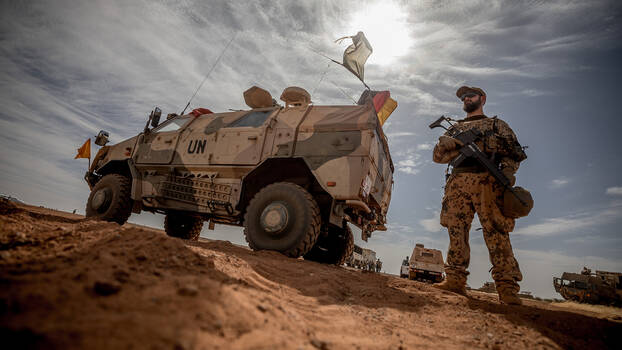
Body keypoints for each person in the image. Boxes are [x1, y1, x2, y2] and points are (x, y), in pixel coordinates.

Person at [432, 86, 527, 305]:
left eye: (470, 96)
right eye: (463, 97)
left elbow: (514, 153)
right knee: (456, 230)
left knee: (496, 232)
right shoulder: (454, 128)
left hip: (488, 182)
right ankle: (455, 280)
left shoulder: (496, 125)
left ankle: (507, 287)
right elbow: (438, 158)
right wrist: (446, 144)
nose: (466, 99)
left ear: (482, 99)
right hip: (457, 184)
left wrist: (508, 173)